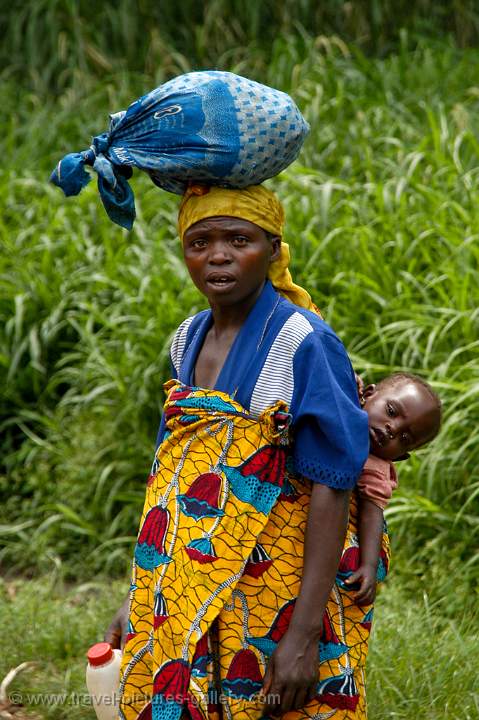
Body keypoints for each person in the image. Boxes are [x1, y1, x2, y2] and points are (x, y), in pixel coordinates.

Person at [105, 184, 371, 720]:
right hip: (194, 574)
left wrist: (303, 632)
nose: (218, 255)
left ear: (273, 249)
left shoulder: (304, 342)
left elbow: (333, 482)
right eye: (199, 241)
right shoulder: (188, 337)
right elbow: (177, 477)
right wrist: (144, 593)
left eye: (239, 239)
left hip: (281, 583)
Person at [344, 373, 441, 606]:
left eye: (405, 437)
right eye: (391, 411)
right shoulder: (342, 399)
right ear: (367, 394)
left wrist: (368, 565)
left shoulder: (375, 467)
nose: (392, 429)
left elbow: (372, 511)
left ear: (401, 456)